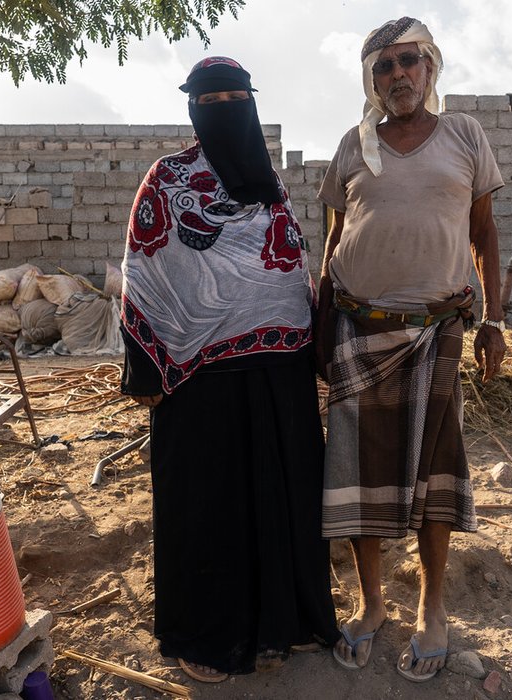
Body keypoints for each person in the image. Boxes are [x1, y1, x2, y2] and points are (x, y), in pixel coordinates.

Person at [118, 56, 338, 684]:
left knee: (282, 492)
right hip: (197, 378)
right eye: (207, 99)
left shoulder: (274, 187)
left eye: (233, 97)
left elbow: (291, 266)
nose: (221, 108)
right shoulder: (167, 178)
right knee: (208, 503)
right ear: (190, 107)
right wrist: (146, 373)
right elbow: (144, 271)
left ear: (251, 101)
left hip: (279, 372)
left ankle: (286, 623)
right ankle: (208, 635)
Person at [315, 17, 507, 683]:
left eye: (409, 61)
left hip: (436, 332)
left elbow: (484, 233)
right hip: (355, 328)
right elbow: (334, 240)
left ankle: (431, 608)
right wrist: (318, 332)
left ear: (430, 68)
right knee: (356, 472)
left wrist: (494, 322)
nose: (398, 75)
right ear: (370, 82)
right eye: (383, 67)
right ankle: (370, 606)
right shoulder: (353, 144)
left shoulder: (465, 136)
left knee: (431, 473)